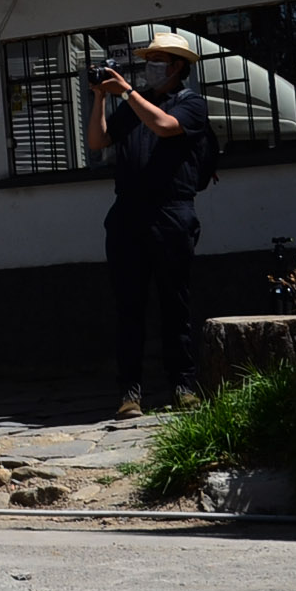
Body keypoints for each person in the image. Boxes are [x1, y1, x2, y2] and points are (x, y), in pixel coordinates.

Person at [86, 32, 212, 418]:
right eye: (149, 60)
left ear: (177, 66)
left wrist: (126, 92)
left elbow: (164, 126)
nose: (151, 67)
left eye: (159, 61)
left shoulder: (190, 104)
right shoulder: (135, 103)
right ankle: (130, 393)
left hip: (171, 213)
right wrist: (100, 97)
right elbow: (97, 141)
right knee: (129, 307)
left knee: (175, 304)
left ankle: (183, 386)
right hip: (128, 215)